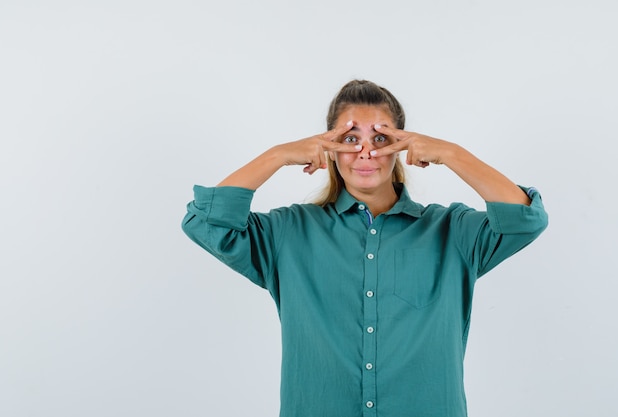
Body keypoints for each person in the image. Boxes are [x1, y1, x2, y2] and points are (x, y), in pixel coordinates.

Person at [182, 80, 548, 417]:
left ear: (401, 146)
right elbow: (205, 224)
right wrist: (277, 155)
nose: (365, 152)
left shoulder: (453, 232)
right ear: (328, 147)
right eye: (350, 138)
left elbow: (524, 220)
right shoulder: (288, 232)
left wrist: (451, 153)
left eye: (381, 139)